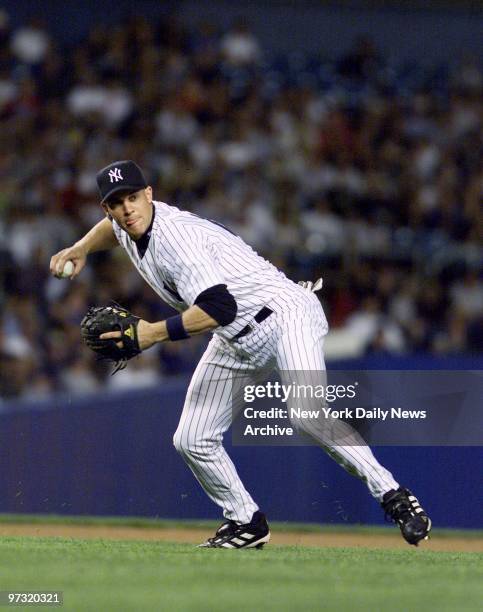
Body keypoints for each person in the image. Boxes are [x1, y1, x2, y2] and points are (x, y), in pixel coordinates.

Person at [50, 160, 432, 548]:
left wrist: (151, 333)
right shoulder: (124, 223)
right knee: (192, 439)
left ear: (150, 194)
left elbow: (219, 308)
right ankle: (245, 522)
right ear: (107, 209)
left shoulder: (177, 241)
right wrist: (81, 247)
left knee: (307, 414)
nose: (127, 209)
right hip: (235, 339)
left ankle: (394, 496)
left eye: (133, 197)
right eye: (117, 203)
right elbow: (113, 231)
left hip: (284, 314)